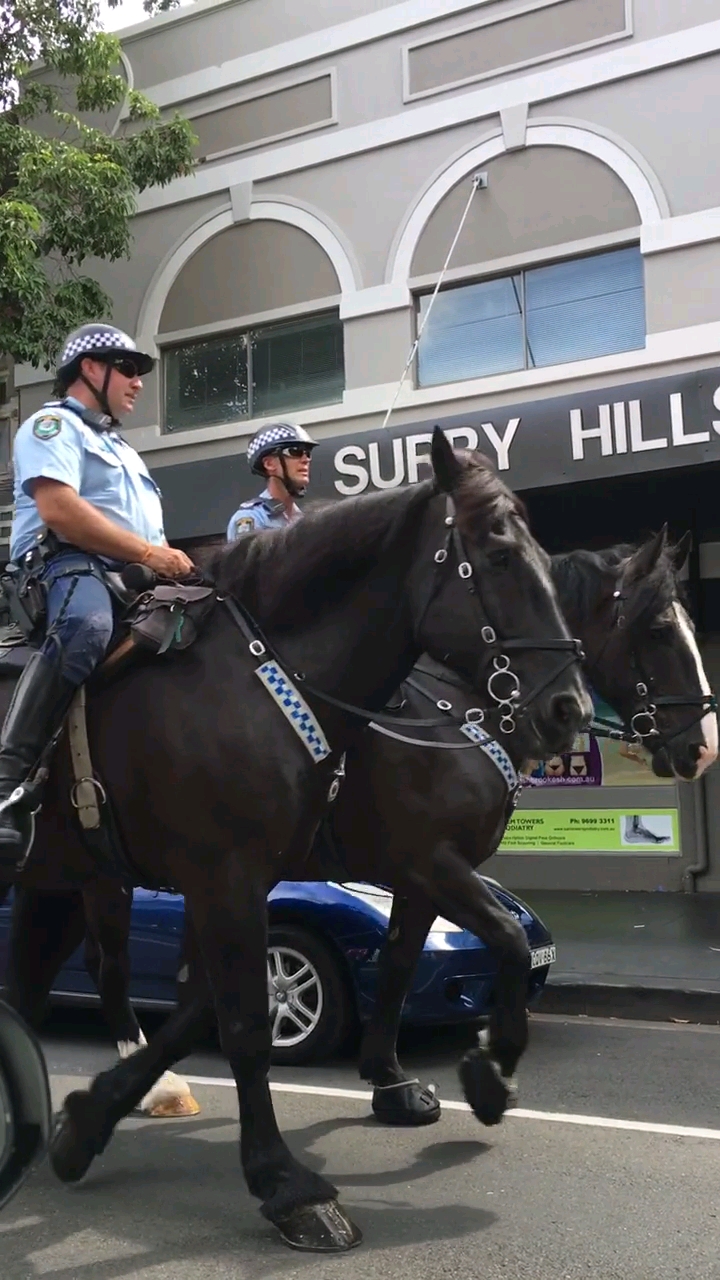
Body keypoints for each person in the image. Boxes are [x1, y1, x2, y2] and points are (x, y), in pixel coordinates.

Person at [0, 322, 194, 862]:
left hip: (135, 580)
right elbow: (60, 511)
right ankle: (7, 784)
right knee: (87, 628)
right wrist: (152, 554)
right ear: (91, 368)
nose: (137, 382)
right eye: (128, 369)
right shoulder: (52, 426)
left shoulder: (124, 450)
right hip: (66, 568)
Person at [226, 423, 318, 541]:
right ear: (269, 464)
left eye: (308, 453)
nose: (306, 460)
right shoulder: (250, 518)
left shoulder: (304, 522)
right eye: (295, 451)